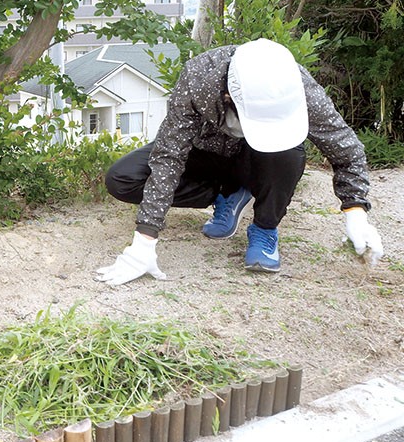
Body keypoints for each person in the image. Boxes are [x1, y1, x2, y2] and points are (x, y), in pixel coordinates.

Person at [96, 38, 383, 284]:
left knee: (290, 153)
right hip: (204, 151)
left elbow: (346, 148)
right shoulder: (199, 77)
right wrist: (144, 241)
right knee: (123, 178)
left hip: (256, 158)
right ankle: (226, 195)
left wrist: (355, 210)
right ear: (228, 96)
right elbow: (170, 155)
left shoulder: (297, 85)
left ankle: (264, 228)